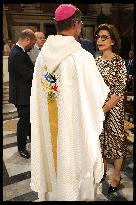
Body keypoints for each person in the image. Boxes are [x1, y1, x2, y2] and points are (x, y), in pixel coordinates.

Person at [30, 4, 109, 201]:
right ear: (76, 25)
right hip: (74, 132)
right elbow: (97, 96)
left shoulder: (42, 58)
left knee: (52, 159)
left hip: (50, 131)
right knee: (76, 159)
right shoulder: (81, 57)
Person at [95, 24, 127, 194]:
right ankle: (102, 170)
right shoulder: (95, 61)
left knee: (116, 142)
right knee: (100, 140)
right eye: (98, 37)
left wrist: (105, 108)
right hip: (97, 108)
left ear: (113, 41)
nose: (99, 40)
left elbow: (119, 90)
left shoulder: (118, 62)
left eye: (104, 37)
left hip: (113, 109)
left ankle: (116, 176)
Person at [8, 29, 36, 159]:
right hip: (22, 96)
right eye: (32, 44)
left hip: (25, 94)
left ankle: (31, 142)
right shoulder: (17, 53)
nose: (32, 47)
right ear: (27, 40)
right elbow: (27, 74)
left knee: (29, 120)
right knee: (24, 122)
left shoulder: (20, 51)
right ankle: (21, 147)